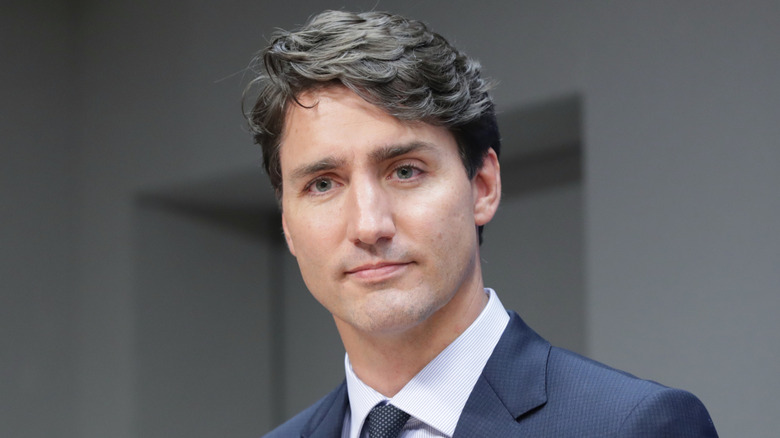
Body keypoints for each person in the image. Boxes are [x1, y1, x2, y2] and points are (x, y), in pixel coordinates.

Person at [245, 10, 718, 438]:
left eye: (405, 171)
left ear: (483, 186)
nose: (369, 226)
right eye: (323, 184)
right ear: (288, 222)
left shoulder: (632, 426)